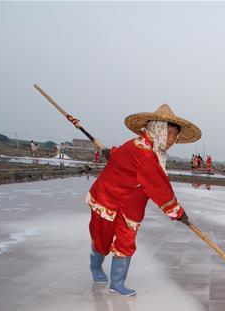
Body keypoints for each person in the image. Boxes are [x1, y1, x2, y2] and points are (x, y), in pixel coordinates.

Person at [86, 104, 201, 295]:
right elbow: (159, 188)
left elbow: (127, 161)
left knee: (126, 241)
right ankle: (96, 267)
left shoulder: (152, 151)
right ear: (157, 129)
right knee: (102, 239)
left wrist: (112, 153)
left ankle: (117, 283)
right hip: (108, 197)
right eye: (169, 133)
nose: (172, 140)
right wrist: (178, 212)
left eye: (175, 135)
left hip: (131, 204)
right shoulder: (144, 152)